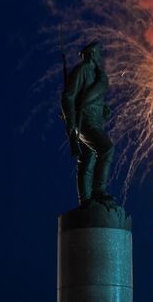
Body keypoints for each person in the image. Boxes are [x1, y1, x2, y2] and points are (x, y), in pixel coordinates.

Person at [61, 41, 114, 205]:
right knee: (106, 149)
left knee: (87, 160)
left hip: (95, 121)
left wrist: (103, 108)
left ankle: (85, 200)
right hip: (84, 122)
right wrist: (71, 123)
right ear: (91, 54)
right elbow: (68, 97)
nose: (100, 56)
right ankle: (98, 191)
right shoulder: (82, 70)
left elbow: (92, 97)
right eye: (98, 52)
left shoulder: (96, 74)